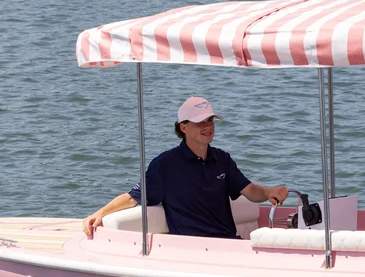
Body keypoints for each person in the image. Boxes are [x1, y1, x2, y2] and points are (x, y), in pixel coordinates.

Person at [82, 97, 288, 239]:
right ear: (184, 127)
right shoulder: (165, 164)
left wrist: (268, 192)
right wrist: (100, 213)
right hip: (193, 248)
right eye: (200, 122)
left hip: (228, 242)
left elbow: (250, 190)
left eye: (210, 121)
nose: (208, 127)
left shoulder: (222, 159)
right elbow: (132, 197)